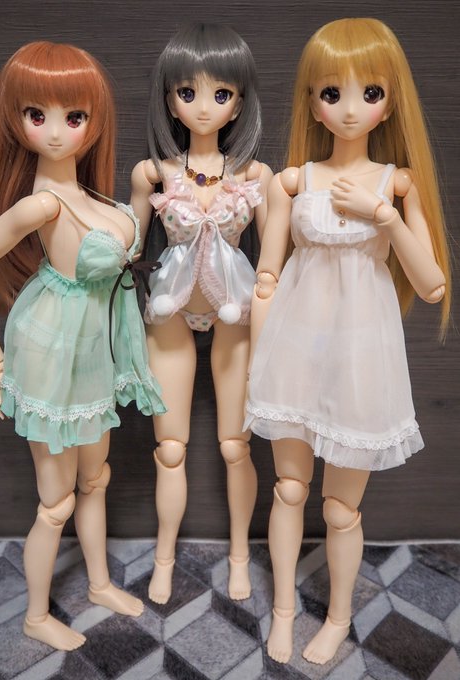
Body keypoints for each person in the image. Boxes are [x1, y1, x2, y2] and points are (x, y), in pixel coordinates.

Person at [245, 17, 450, 665]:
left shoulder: (395, 183)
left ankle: (336, 617)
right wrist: (258, 361)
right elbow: (267, 278)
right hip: (294, 348)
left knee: (340, 508)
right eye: (332, 93)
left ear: (390, 102)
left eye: (370, 93)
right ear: (312, 103)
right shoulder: (292, 182)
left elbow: (433, 285)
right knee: (288, 488)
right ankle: (283, 610)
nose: (351, 109)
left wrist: (382, 214)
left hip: (361, 355)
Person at [0, 41, 165, 651]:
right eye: (36, 115)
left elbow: (123, 253)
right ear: (17, 121)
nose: (54, 131)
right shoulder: (41, 204)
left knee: (95, 479)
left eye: (74, 117)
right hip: (52, 348)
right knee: (55, 502)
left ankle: (97, 583)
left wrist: (140, 195)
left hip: (93, 349)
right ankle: (35, 616)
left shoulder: (91, 196)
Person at [130, 23, 272, 604]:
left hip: (236, 314)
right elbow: (130, 246)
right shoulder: (154, 173)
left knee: (236, 446)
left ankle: (239, 555)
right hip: (170, 310)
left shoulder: (255, 176)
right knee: (170, 448)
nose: (205, 106)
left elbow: (274, 259)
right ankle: (164, 559)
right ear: (170, 100)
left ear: (239, 102)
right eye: (188, 92)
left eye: (221, 93)